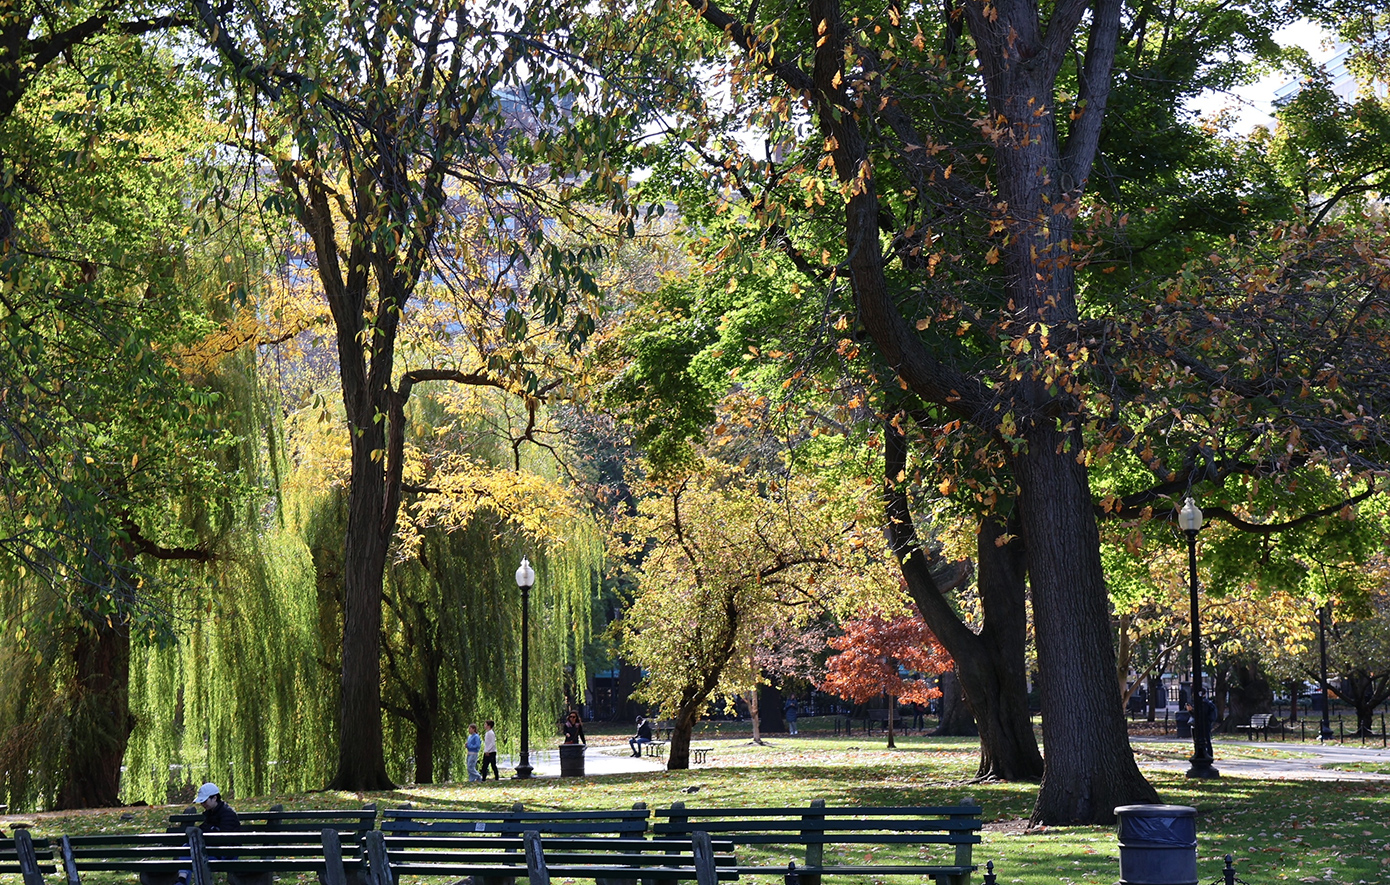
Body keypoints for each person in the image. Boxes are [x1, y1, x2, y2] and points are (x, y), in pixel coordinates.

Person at [175, 783, 239, 885]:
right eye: (202, 802)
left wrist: (207, 832)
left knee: (191, 854)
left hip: (225, 854)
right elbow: (204, 829)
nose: (203, 804)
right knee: (187, 849)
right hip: (212, 851)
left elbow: (223, 838)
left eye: (205, 801)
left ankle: (181, 881)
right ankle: (181, 881)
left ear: (214, 798)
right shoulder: (211, 813)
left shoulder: (227, 814)